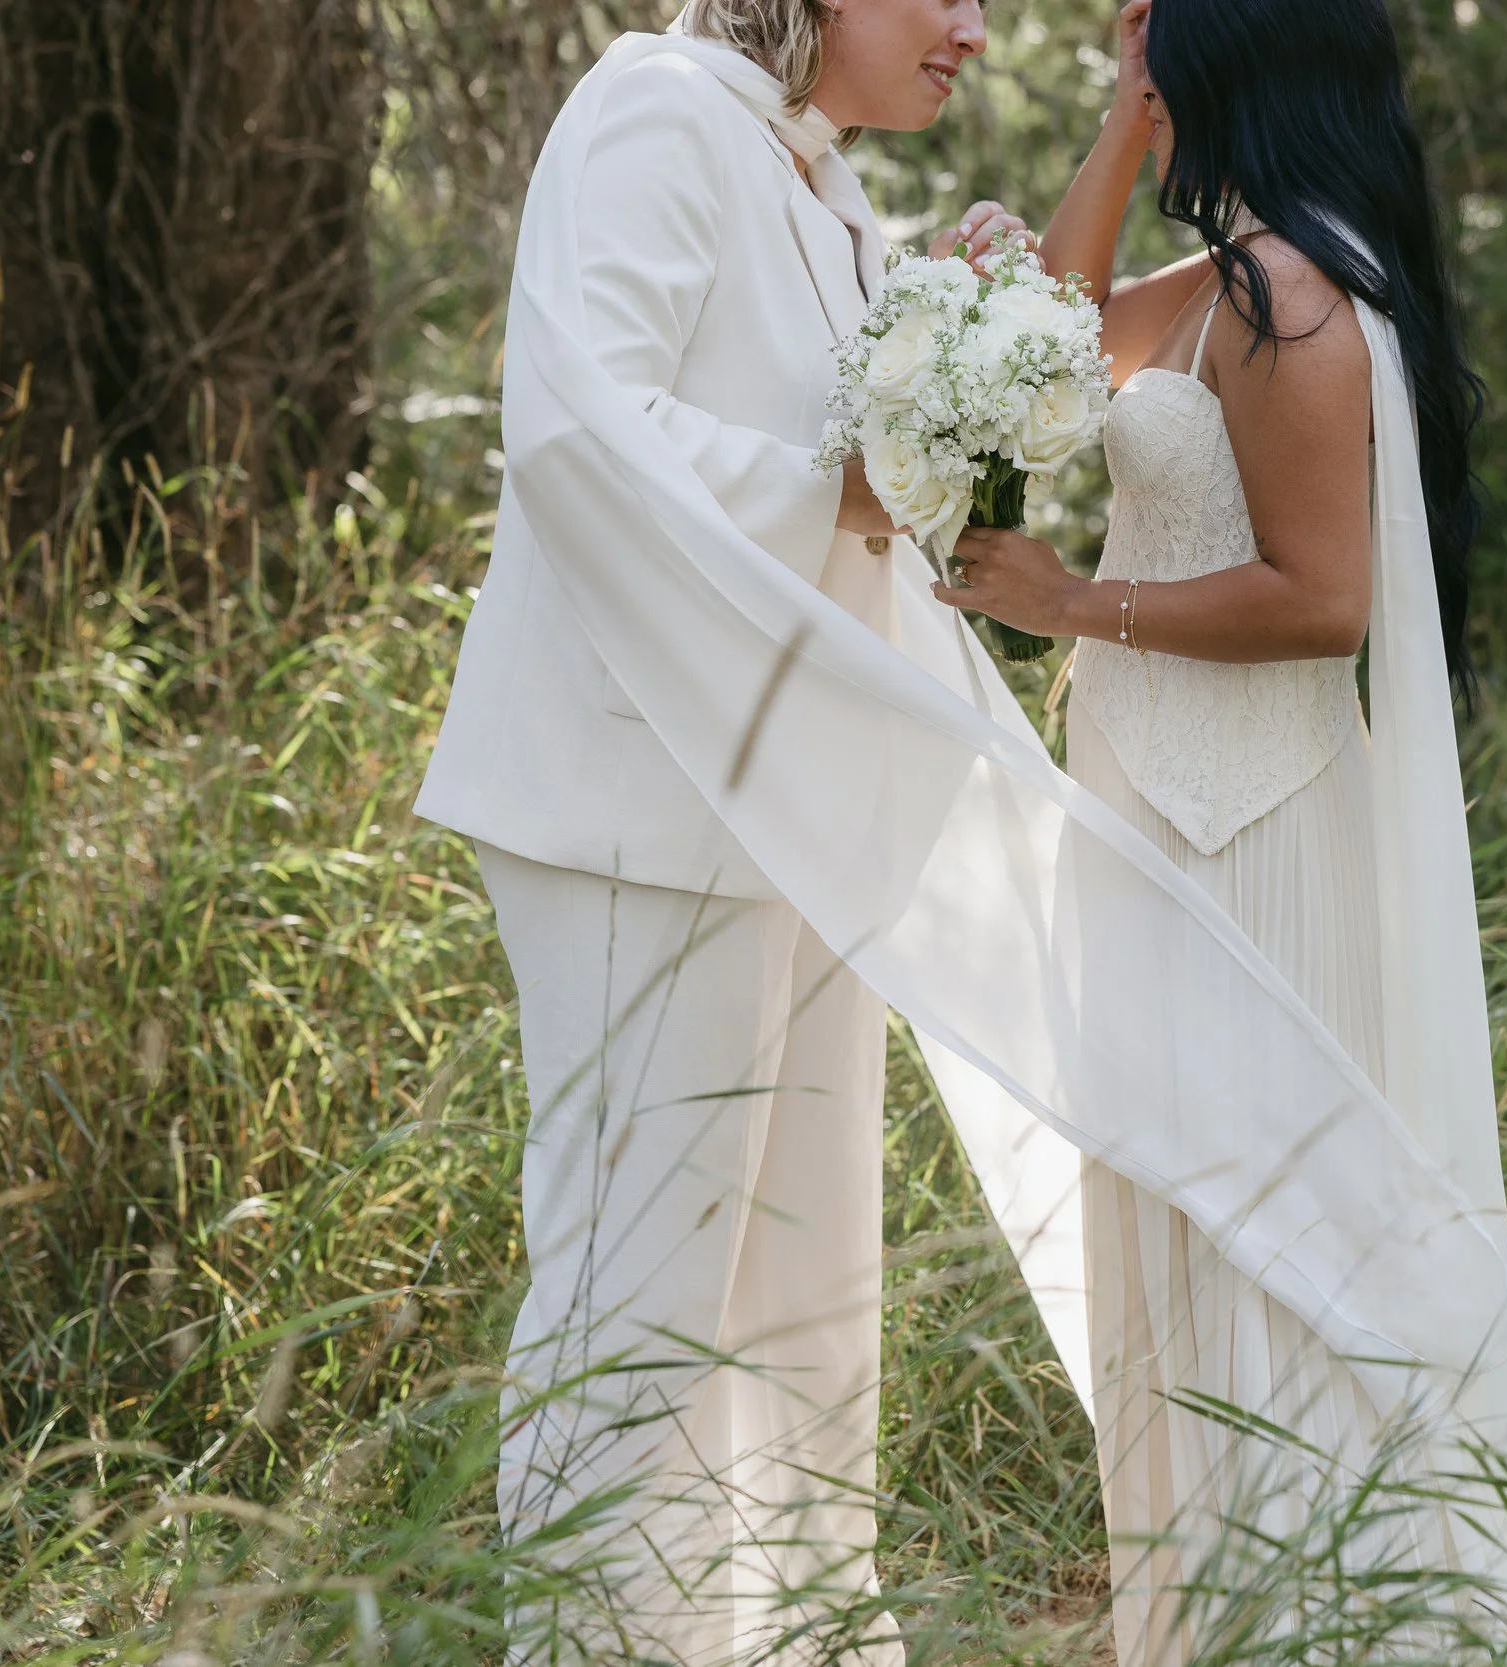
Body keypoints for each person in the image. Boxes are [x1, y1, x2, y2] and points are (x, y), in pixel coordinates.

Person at [934, 0, 1507, 1658]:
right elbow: (1048, 343)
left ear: (1241, 60)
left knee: (1261, 1237)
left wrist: (1071, 599)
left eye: (1166, 45)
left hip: (1252, 835)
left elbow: (1320, 599)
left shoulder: (1295, 300)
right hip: (1148, 810)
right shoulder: (1236, 276)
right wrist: (1120, 125)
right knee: (1179, 1226)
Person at [411, 3, 1027, 1660]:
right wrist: (835, 482)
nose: (978, 25)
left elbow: (845, 458)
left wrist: (955, 338)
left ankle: (796, 1638)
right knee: (639, 1304)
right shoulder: (656, 112)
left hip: (791, 811)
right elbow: (573, 428)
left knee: (810, 1303)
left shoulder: (823, 184)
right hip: (638, 805)